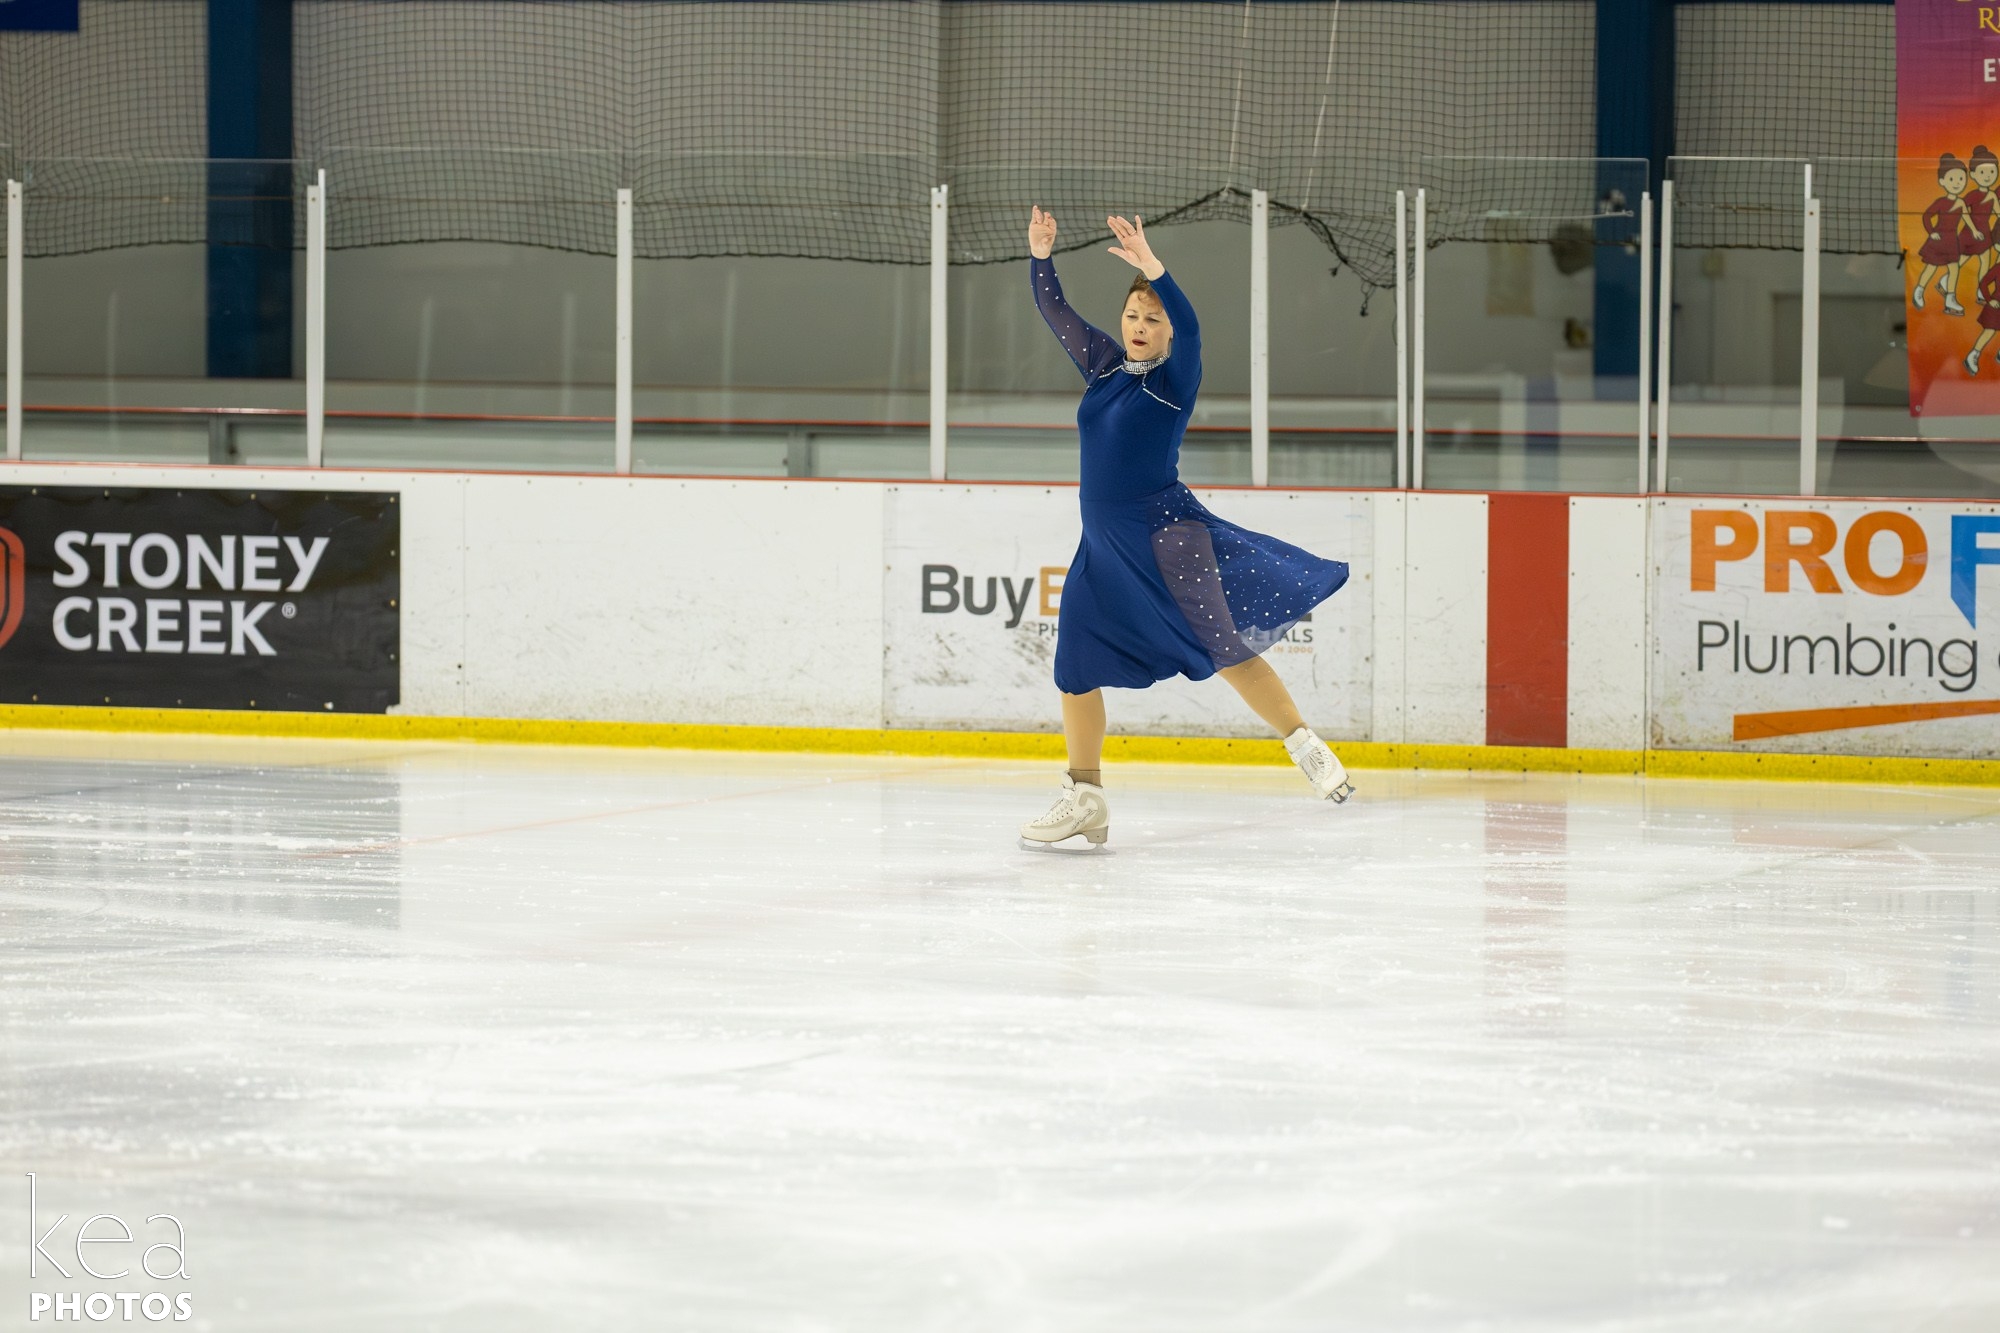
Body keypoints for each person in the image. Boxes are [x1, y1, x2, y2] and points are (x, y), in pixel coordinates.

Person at [1018, 206, 1353, 849]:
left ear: (1167, 329)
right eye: (1132, 316)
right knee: (1074, 665)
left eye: (1152, 318)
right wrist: (1040, 255)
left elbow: (1193, 327)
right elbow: (1054, 310)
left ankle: (1303, 744)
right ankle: (1086, 796)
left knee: (1224, 648)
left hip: (1167, 539)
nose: (1139, 327)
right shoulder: (1105, 368)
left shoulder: (1174, 381)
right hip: (1103, 549)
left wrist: (1154, 268)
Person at [1914, 155, 1977, 317]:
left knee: (1954, 268)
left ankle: (1950, 298)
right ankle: (1919, 290)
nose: (1957, 183)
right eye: (1952, 179)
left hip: (1951, 241)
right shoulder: (1941, 202)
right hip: (1938, 240)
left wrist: (1974, 230)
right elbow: (1927, 216)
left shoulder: (1961, 203)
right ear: (1942, 181)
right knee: (1931, 267)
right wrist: (1932, 232)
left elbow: (1966, 217)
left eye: (1961, 179)